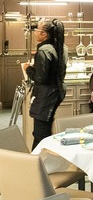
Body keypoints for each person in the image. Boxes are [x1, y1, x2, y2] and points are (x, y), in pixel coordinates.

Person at [22, 19, 66, 149]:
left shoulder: (43, 51)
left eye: (37, 30)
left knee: (40, 134)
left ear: (44, 34)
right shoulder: (61, 48)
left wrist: (28, 69)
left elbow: (40, 78)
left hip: (45, 96)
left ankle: (36, 160)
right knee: (45, 130)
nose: (35, 32)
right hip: (55, 93)